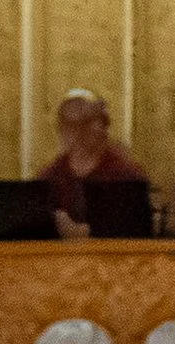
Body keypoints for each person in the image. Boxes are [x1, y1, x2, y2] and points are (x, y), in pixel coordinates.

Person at [35, 88, 149, 238]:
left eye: (85, 123)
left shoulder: (125, 175)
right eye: (70, 124)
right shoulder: (51, 176)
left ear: (103, 126)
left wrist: (86, 233)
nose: (77, 133)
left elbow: (136, 233)